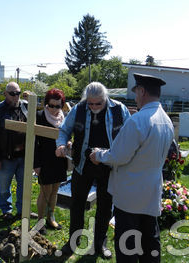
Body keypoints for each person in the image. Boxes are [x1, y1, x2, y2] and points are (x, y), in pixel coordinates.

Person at [89, 74, 174, 263]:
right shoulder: (166, 120)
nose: (135, 97)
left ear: (142, 91)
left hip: (130, 194)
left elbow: (119, 156)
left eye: (136, 92)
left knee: (127, 244)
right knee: (149, 242)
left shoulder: (138, 120)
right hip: (151, 191)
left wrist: (98, 155)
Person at [55, 82, 131, 259]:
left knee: (105, 207)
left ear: (106, 99)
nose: (94, 107)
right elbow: (64, 129)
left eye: (99, 103)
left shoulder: (120, 109)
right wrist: (60, 144)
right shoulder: (79, 109)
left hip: (109, 166)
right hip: (82, 165)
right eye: (91, 103)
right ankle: (73, 242)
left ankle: (99, 244)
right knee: (77, 205)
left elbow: (129, 135)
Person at [0, 82, 27, 219]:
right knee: (4, 187)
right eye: (12, 93)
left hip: (23, 156)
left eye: (18, 93)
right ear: (5, 94)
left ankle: (21, 210)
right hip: (5, 156)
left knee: (23, 186)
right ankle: (6, 210)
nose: (16, 96)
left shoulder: (25, 107)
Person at [34, 88, 68, 235]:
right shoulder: (39, 116)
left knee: (55, 191)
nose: (54, 109)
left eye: (58, 106)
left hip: (59, 159)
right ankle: (40, 221)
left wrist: (69, 143)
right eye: (51, 105)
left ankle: (51, 217)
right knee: (45, 191)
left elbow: (68, 135)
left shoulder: (64, 118)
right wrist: (36, 164)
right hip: (44, 159)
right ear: (46, 103)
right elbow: (34, 142)